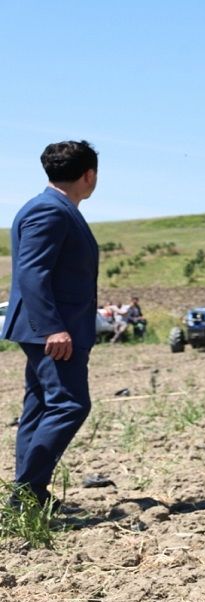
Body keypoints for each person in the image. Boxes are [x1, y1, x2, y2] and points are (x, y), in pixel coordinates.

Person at [3, 141, 100, 510]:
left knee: (42, 405)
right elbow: (32, 272)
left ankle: (30, 496)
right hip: (54, 331)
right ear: (89, 175)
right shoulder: (50, 210)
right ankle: (27, 493)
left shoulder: (51, 207)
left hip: (49, 328)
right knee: (69, 405)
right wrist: (52, 328)